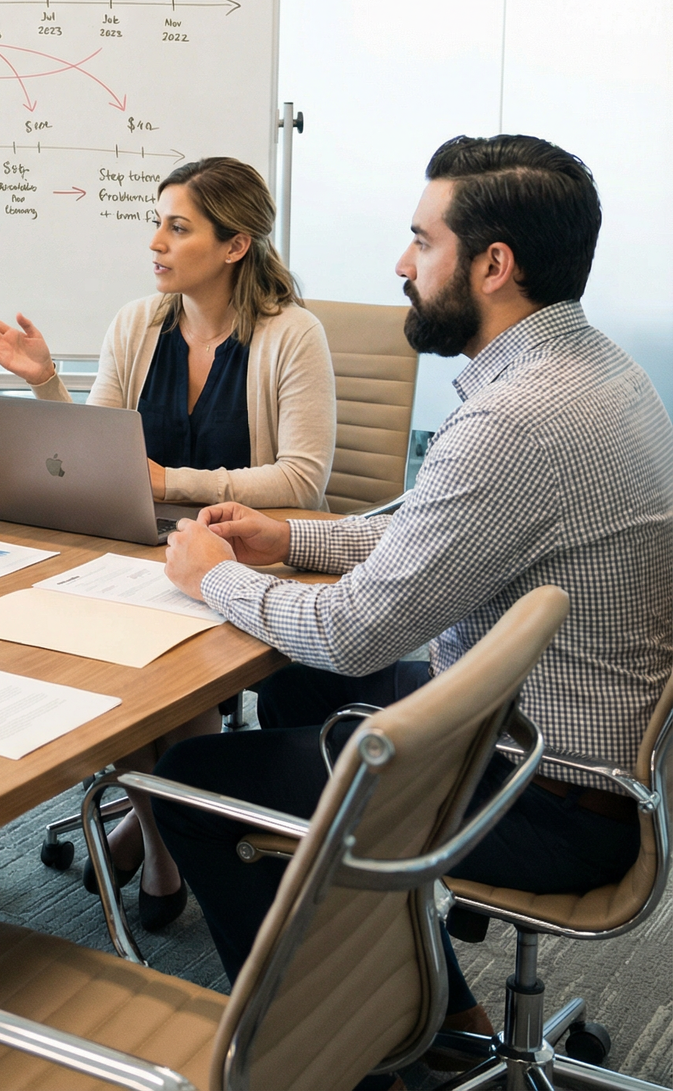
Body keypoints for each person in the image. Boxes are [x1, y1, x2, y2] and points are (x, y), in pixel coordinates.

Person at [153, 135, 673, 1087]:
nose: (400, 264)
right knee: (297, 695)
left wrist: (211, 578)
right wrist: (288, 541)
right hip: (549, 742)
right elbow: (453, 539)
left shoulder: (518, 417)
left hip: (544, 794)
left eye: (419, 241)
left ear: (492, 265)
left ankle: (320, 1057)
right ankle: (429, 1010)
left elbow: (357, 633)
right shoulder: (591, 372)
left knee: (196, 783)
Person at [0, 155, 337, 929]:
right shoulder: (137, 323)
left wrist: (175, 485)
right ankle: (166, 839)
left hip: (247, 553)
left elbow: (300, 480)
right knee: (113, 658)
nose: (156, 243)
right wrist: (44, 384)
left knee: (167, 670)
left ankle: (155, 837)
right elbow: (100, 453)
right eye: (156, 224)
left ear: (235, 246)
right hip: (140, 546)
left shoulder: (291, 335)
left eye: (177, 227)